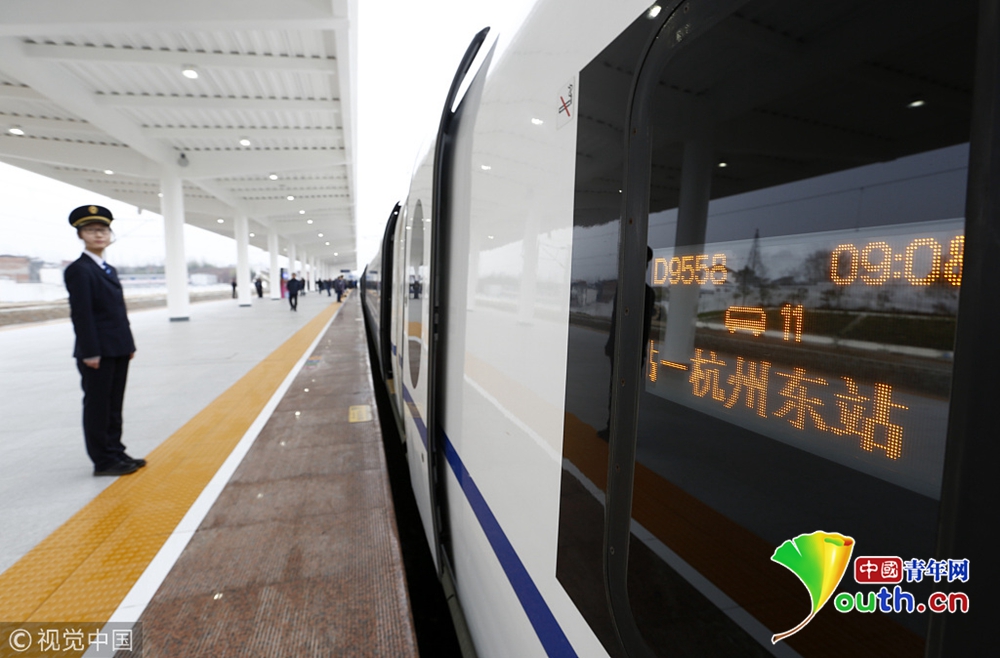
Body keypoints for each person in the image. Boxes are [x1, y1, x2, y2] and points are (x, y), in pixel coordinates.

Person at [63, 205, 146, 476]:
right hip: (97, 351)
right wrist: (90, 352)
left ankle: (116, 451)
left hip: (117, 347)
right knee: (98, 406)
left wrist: (128, 345)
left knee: (113, 404)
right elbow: (82, 314)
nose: (99, 235)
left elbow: (117, 311)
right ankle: (103, 460)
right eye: (91, 230)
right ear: (80, 235)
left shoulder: (108, 269)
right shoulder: (79, 270)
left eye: (103, 230)